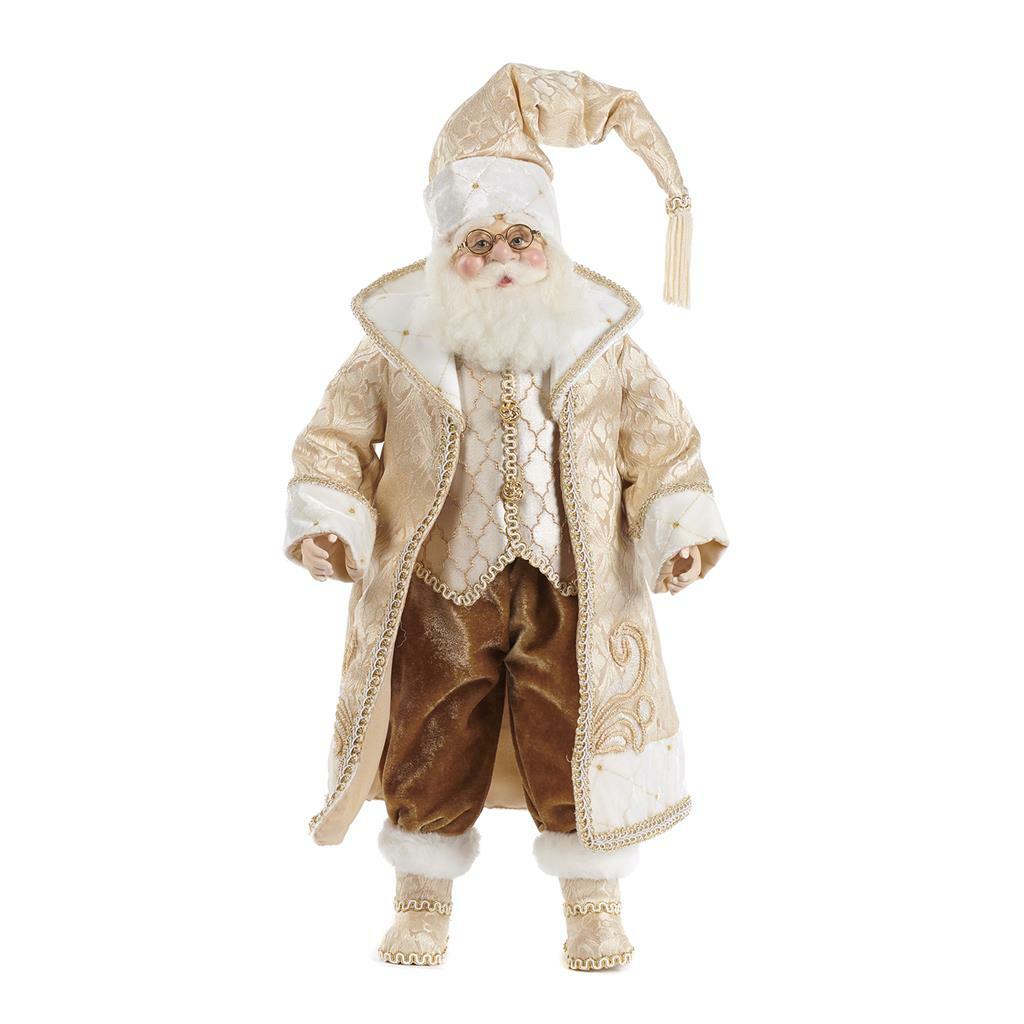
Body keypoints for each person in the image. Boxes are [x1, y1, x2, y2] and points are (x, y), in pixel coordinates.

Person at [284, 64, 729, 970]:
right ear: (446, 249)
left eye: (520, 238)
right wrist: (331, 519)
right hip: (441, 581)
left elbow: (664, 443)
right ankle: (421, 897)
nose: (501, 257)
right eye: (477, 242)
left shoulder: (603, 344)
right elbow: (335, 437)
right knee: (432, 726)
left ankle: (593, 901)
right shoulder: (397, 346)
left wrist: (678, 528)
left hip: (574, 585)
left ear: (550, 243)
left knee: (574, 728)